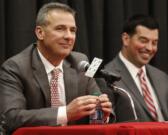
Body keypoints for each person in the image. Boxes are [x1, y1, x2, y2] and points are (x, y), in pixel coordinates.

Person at [0, 2, 113, 133]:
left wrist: (102, 114)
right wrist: (65, 113)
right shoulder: (14, 67)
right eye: (60, 28)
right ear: (40, 33)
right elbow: (11, 118)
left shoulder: (81, 62)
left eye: (73, 30)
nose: (69, 36)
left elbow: (97, 102)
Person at [97, 14, 168, 122]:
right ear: (126, 39)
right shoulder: (106, 76)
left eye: (154, 43)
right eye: (143, 40)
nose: (150, 48)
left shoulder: (162, 78)